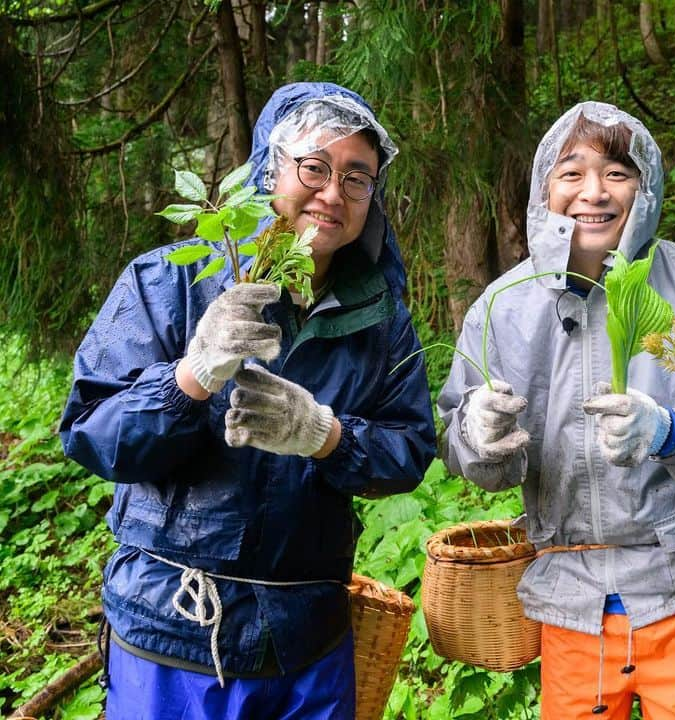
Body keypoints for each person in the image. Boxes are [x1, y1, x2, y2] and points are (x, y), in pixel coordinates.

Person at [60, 82, 437, 720]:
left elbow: (409, 450)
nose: (332, 193)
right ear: (270, 167)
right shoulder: (170, 281)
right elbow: (92, 433)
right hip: (173, 629)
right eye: (314, 166)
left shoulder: (380, 319)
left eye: (357, 177)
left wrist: (325, 435)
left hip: (307, 642)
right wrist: (191, 378)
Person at [438, 101, 675, 719]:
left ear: (646, 188)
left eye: (617, 172)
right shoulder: (505, 307)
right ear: (543, 191)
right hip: (572, 598)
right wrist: (477, 437)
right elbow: (470, 456)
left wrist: (667, 431)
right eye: (572, 173)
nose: (594, 192)